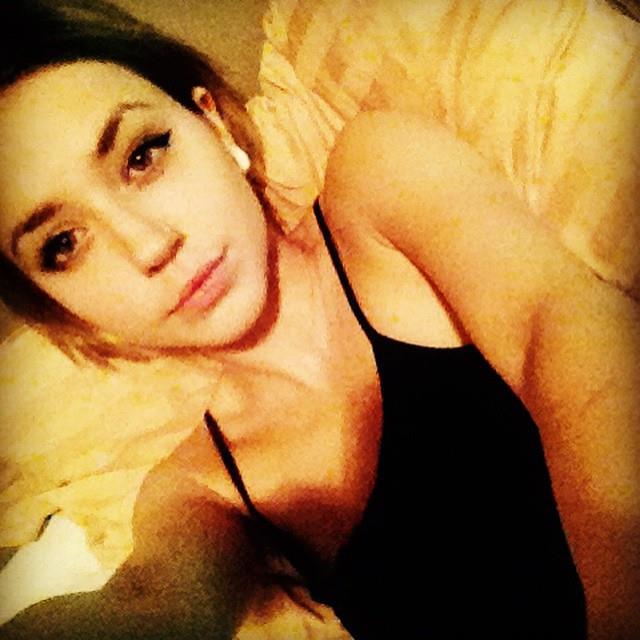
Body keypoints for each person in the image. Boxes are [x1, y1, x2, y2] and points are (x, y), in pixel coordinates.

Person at [0, 0, 638, 638]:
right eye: (63, 245)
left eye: (143, 155)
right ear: (64, 309)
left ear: (215, 128)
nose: (148, 245)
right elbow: (148, 606)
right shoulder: (200, 490)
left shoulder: (376, 183)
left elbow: (558, 328)